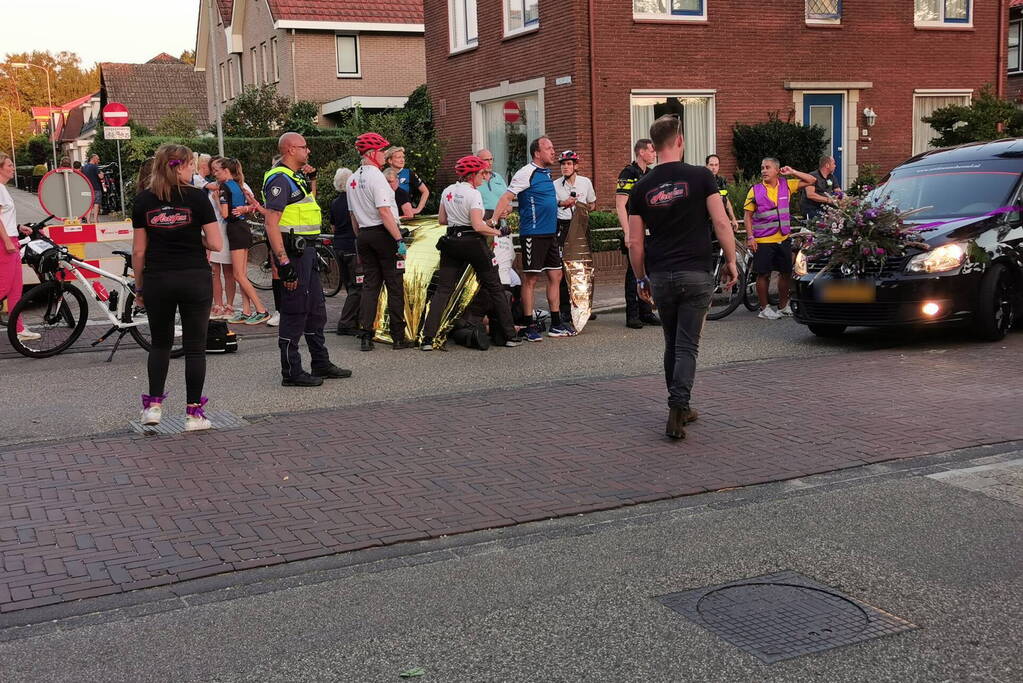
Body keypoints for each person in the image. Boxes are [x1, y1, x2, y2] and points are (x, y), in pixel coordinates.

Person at [627, 115, 738, 440]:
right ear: (679, 141)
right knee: (688, 345)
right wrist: (731, 260)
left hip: (660, 273)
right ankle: (680, 407)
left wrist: (640, 278)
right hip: (697, 271)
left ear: (654, 146)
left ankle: (678, 406)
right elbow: (720, 223)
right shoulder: (701, 176)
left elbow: (635, 241)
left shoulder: (642, 187)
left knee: (671, 343)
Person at [131, 144, 223, 431]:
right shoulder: (197, 198)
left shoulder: (144, 200)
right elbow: (217, 243)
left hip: (158, 278)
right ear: (181, 166)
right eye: (191, 165)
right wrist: (196, 236)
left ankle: (153, 407)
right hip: (194, 277)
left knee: (160, 344)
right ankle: (194, 414)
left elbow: (138, 252)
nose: (193, 170)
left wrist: (140, 287)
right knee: (195, 348)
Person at [262, 132, 352, 385]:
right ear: (290, 149)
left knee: (315, 310)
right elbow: (271, 223)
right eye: (304, 147)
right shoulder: (279, 179)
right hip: (294, 254)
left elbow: (305, 207)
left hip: (307, 251)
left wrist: (311, 179)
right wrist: (284, 263)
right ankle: (291, 371)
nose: (308, 150)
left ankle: (320, 362)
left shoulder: (295, 177)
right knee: (295, 310)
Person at [421, 155, 525, 351]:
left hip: (451, 242)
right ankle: (510, 335)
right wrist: (497, 231)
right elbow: (478, 226)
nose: (484, 177)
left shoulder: (448, 191)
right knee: (495, 288)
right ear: (471, 176)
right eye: (481, 173)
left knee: (443, 290)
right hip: (473, 243)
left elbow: (442, 220)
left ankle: (428, 338)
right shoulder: (473, 194)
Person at [492, 136, 576, 340]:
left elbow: (543, 199)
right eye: (549, 148)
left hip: (550, 233)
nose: (553, 151)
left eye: (553, 147)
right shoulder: (525, 172)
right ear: (537, 153)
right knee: (530, 279)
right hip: (533, 233)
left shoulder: (546, 173)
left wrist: (561, 203)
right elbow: (506, 197)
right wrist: (493, 220)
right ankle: (529, 325)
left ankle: (555, 323)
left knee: (556, 276)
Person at [348, 132, 411, 352]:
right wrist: (399, 239)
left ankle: (365, 334)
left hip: (364, 234)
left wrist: (360, 237)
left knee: (370, 285)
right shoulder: (377, 177)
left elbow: (353, 216)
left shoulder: (352, 179)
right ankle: (398, 337)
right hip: (384, 234)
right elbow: (384, 211)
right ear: (372, 153)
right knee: (394, 286)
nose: (385, 154)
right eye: (382, 150)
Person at [743, 158, 816, 319]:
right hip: (763, 240)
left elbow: (812, 180)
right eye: (762, 168)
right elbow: (747, 216)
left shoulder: (787, 185)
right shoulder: (755, 190)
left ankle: (783, 306)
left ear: (777, 170)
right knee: (763, 274)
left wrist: (793, 172)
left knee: (785, 272)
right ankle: (764, 309)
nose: (764, 171)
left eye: (767, 168)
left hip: (783, 238)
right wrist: (750, 237)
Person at [213, 157, 270, 324]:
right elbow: (249, 204)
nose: (215, 174)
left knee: (238, 274)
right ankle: (246, 310)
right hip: (243, 228)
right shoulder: (238, 185)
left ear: (226, 171)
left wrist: (217, 200)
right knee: (242, 274)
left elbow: (224, 214)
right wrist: (246, 208)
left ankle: (261, 309)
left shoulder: (224, 187)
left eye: (217, 171)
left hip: (235, 230)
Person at [616, 139, 661, 329]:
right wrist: (627, 233)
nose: (654, 154)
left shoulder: (651, 174)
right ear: (641, 152)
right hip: (634, 230)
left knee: (648, 269)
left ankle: (646, 311)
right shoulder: (629, 173)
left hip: (649, 230)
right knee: (633, 272)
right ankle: (632, 314)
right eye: (651, 150)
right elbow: (620, 204)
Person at [554, 150, 596, 328]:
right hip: (563, 228)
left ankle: (583, 306)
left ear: (575, 166)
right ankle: (565, 309)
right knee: (565, 269)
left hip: (580, 226)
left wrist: (583, 207)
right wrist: (564, 203)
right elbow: (554, 204)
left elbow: (593, 204)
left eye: (569, 164)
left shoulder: (585, 182)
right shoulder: (555, 184)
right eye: (563, 164)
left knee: (583, 268)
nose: (565, 167)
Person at [0, 153, 39, 342]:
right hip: (4, 244)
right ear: (0, 168)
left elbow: (5, 218)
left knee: (16, 289)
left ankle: (19, 329)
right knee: (4, 287)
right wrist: (7, 241)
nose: (13, 168)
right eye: (9, 165)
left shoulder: (4, 189)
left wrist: (17, 228)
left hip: (11, 239)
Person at [330, 166, 362, 336]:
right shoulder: (354, 201)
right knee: (358, 285)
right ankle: (346, 322)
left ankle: (354, 317)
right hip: (352, 246)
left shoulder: (335, 202)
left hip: (338, 247)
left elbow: (333, 226)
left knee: (350, 285)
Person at [384, 147, 430, 215]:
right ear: (390, 160)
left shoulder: (408, 173)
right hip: (388, 215)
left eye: (403, 157)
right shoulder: (383, 174)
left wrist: (418, 209)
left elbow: (425, 191)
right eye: (399, 157)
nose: (402, 160)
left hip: (405, 216)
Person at [800, 155, 842, 224]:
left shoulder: (832, 177)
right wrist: (828, 200)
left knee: (840, 218)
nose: (835, 166)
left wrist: (843, 200)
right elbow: (810, 195)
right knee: (824, 224)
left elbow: (838, 192)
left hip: (825, 208)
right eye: (833, 163)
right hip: (811, 208)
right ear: (827, 165)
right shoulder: (812, 176)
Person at [705, 154, 740, 233]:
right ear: (706, 165)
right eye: (711, 165)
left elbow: (726, 200)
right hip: (706, 223)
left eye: (716, 165)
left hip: (721, 221)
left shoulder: (721, 180)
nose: (714, 167)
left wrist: (733, 218)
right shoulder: (702, 181)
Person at [476, 148, 507, 221]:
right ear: (478, 161)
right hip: (482, 222)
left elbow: (509, 203)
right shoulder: (474, 180)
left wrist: (505, 211)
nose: (490, 163)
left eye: (491, 159)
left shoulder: (498, 177)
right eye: (486, 160)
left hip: (500, 222)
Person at [81, 154, 104, 223]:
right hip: (96, 188)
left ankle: (88, 221)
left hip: (87, 188)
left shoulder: (84, 167)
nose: (98, 161)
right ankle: (95, 220)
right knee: (96, 204)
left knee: (89, 205)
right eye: (97, 159)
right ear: (93, 158)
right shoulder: (95, 167)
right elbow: (100, 177)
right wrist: (102, 174)